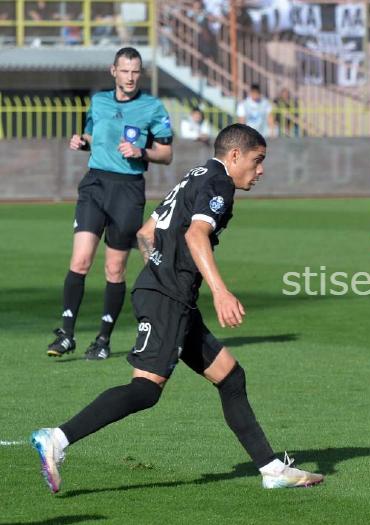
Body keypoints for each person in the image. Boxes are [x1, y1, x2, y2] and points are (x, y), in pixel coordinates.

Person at [31, 124, 324, 494]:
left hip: (169, 295)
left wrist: (158, 274)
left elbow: (145, 232)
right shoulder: (219, 183)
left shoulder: (195, 174)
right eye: (257, 160)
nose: (261, 169)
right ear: (235, 155)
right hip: (168, 298)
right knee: (146, 390)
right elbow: (195, 234)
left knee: (231, 377)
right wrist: (219, 292)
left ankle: (271, 469)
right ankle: (56, 438)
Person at [47, 47, 173, 361]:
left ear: (140, 73)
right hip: (95, 185)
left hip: (128, 190)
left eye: (135, 71)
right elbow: (92, 136)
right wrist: (81, 142)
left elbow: (166, 154)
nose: (130, 77)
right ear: (113, 71)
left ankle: (103, 340)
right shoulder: (99, 101)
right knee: (80, 261)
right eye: (125, 71)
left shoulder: (152, 107)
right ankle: (66, 334)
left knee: (114, 268)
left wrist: (141, 152)